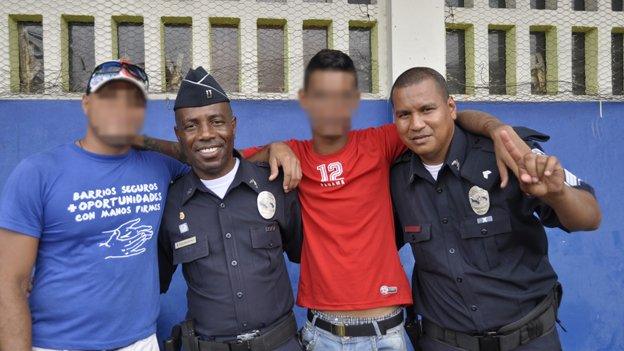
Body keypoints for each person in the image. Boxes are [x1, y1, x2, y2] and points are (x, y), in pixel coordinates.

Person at [138, 49, 533, 351]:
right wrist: (136, 142)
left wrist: (497, 128)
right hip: (325, 334)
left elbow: (444, 119)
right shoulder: (292, 155)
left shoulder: (382, 142)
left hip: (391, 332)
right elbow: (211, 150)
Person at [389, 67, 601, 351]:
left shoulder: (508, 152)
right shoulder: (396, 178)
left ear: (451, 107)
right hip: (445, 342)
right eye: (404, 114)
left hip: (529, 339)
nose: (416, 124)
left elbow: (590, 216)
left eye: (427, 109)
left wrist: (558, 193)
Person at [0, 60, 189, 351]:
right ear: (86, 103)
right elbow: (10, 282)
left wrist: (274, 150)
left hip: (140, 342)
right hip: (57, 344)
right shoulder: (37, 172)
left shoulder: (160, 166)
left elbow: (202, 158)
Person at [158, 67, 303, 351]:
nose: (206, 134)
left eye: (216, 121)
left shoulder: (274, 185)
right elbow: (155, 280)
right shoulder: (171, 202)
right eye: (191, 126)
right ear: (178, 134)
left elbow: (298, 249)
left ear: (233, 125)